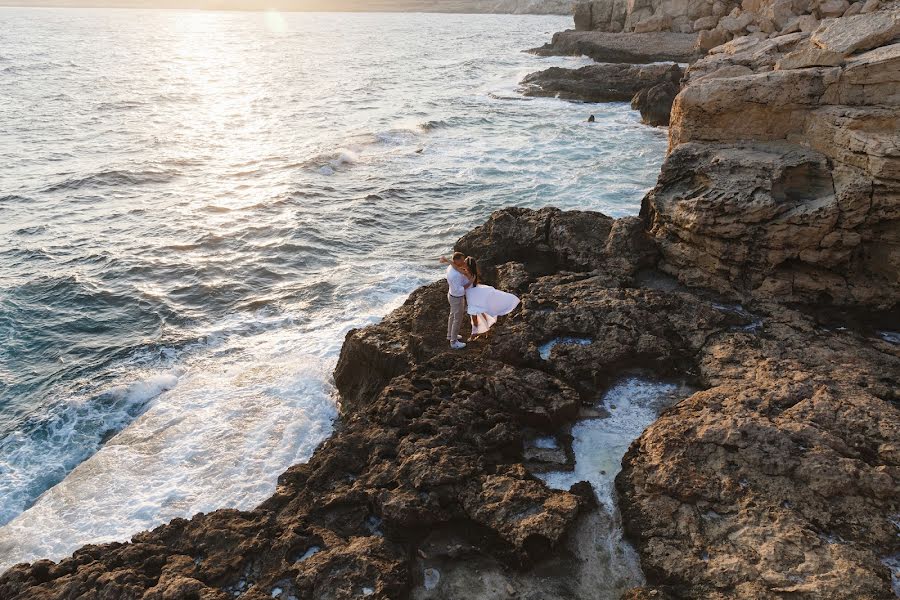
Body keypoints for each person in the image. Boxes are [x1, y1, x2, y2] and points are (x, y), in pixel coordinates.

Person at [461, 257, 520, 337]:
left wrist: (449, 261)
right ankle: (486, 330)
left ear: (468, 265)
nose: (463, 264)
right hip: (474, 294)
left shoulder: (468, 273)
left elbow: (457, 269)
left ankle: (474, 333)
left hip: (473, 296)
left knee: (474, 315)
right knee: (481, 312)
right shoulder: (472, 272)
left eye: (464, 262)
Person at [439, 251, 471, 349]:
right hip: (457, 298)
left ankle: (450, 335)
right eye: (462, 259)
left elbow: (454, 266)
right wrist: (471, 282)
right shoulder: (456, 274)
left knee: (452, 316)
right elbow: (460, 289)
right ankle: (453, 343)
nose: (463, 261)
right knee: (457, 320)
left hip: (451, 295)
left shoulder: (451, 267)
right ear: (456, 260)